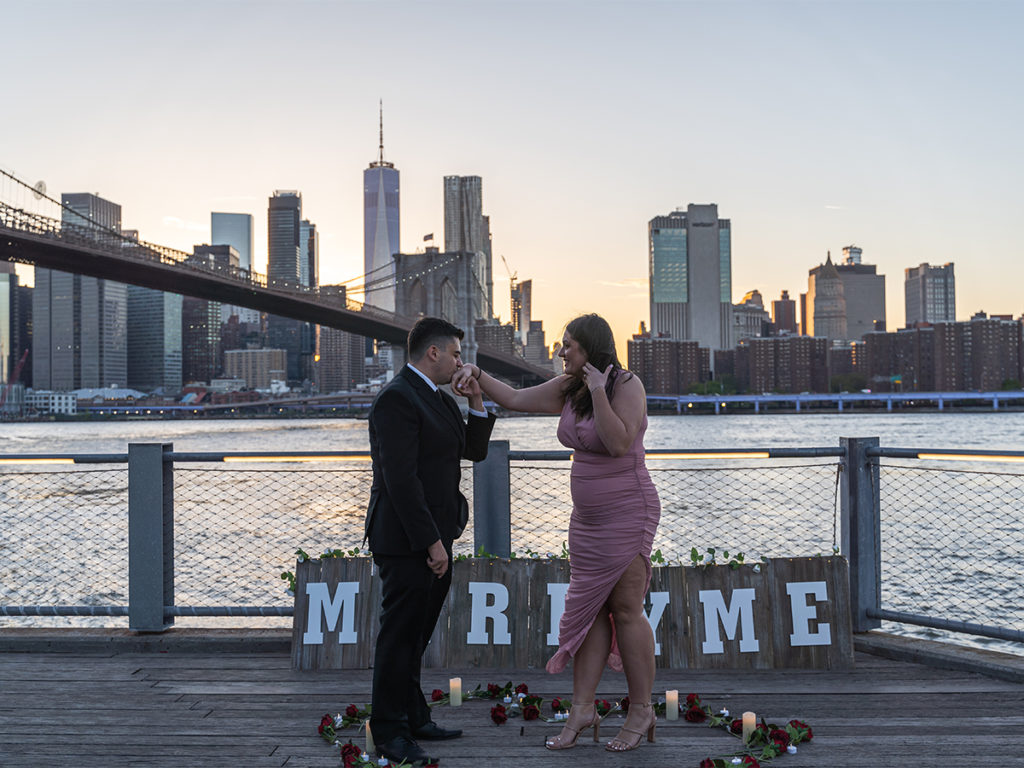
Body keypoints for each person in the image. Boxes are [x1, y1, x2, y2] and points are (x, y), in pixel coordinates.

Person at [453, 313, 661, 753]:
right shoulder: (568, 387)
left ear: (591, 349)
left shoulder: (626, 386)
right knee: (587, 612)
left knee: (625, 609)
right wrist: (476, 372)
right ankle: (583, 708)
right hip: (586, 523)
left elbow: (619, 442)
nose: (561, 352)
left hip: (628, 511)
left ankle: (641, 709)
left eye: (569, 345)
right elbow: (512, 397)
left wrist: (600, 391)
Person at [365, 317, 496, 767]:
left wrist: (477, 398)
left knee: (417, 635)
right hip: (407, 541)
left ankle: (414, 715)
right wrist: (430, 544)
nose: (463, 362)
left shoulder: (436, 397)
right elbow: (401, 483)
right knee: (399, 637)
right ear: (434, 353)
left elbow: (473, 451)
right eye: (457, 354)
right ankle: (388, 732)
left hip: (436, 537)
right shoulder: (396, 400)